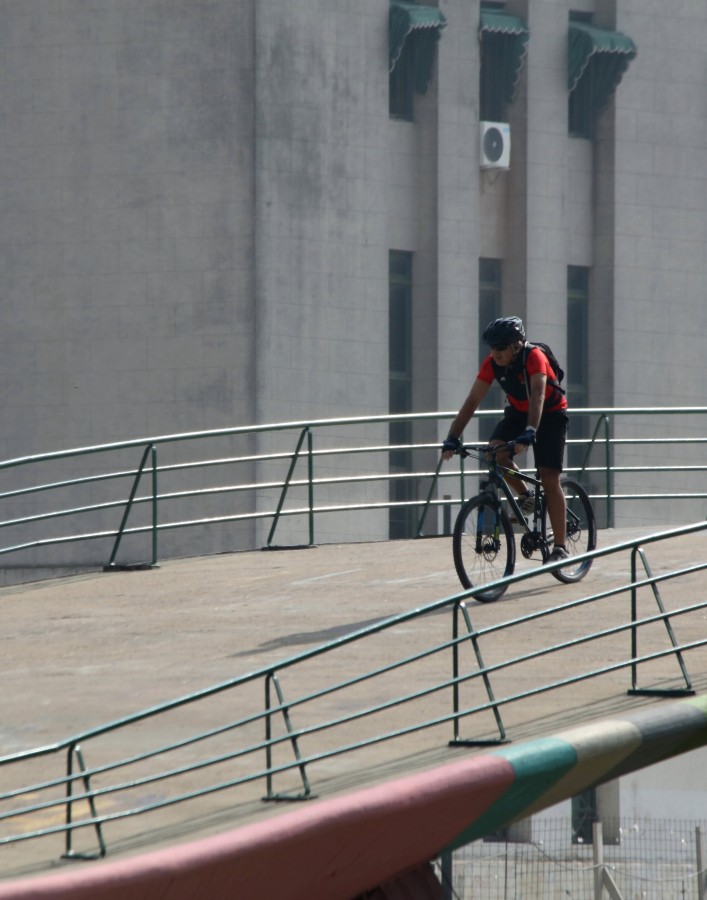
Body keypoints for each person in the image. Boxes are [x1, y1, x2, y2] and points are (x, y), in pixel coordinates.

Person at [441, 316, 570, 563]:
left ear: (516, 345)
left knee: (549, 476)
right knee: (496, 453)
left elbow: (538, 395)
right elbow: (472, 401)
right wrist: (452, 437)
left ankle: (560, 547)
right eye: (492, 348)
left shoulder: (534, 357)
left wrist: (531, 430)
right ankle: (526, 496)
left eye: (501, 348)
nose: (495, 354)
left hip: (551, 414)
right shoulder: (492, 364)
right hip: (518, 413)